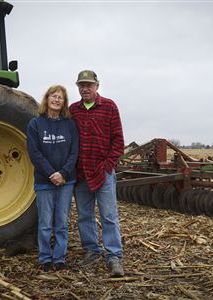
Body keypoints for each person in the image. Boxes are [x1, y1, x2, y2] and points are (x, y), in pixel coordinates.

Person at [69, 70, 125, 277]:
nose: (84, 88)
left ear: (97, 86)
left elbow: (118, 140)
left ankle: (114, 256)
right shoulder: (73, 110)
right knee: (84, 216)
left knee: (109, 216)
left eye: (88, 85)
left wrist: (108, 165)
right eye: (81, 85)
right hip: (81, 172)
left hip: (103, 173)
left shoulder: (109, 106)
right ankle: (92, 251)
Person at [26, 85, 78, 272]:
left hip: (66, 181)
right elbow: (34, 153)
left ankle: (60, 258)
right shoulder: (35, 124)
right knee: (45, 223)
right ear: (47, 99)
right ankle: (45, 258)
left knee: (62, 222)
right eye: (53, 96)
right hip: (44, 181)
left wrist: (63, 173)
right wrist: (51, 174)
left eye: (60, 98)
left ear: (64, 102)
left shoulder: (69, 124)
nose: (56, 100)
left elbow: (74, 152)